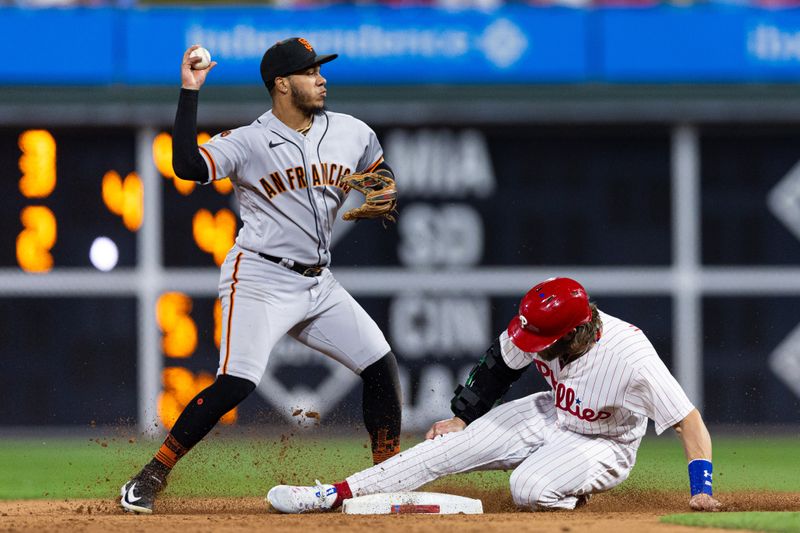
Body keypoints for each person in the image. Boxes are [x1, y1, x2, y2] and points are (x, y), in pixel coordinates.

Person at [120, 38, 402, 514]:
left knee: (380, 365)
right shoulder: (250, 141)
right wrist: (190, 91)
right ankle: (152, 473)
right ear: (282, 84)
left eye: (320, 70)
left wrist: (382, 190)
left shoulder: (351, 131)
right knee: (236, 382)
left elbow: (377, 168)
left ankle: (389, 477)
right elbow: (187, 165)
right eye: (310, 72)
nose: (321, 78)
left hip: (319, 283)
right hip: (260, 279)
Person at [267, 277, 722, 513]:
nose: (531, 347)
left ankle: (566, 492)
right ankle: (332, 493)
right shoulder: (540, 326)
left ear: (576, 331)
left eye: (541, 342)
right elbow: (497, 368)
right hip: (552, 413)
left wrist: (701, 490)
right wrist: (462, 419)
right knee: (445, 447)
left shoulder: (630, 358)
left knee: (528, 488)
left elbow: (690, 422)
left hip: (604, 442)